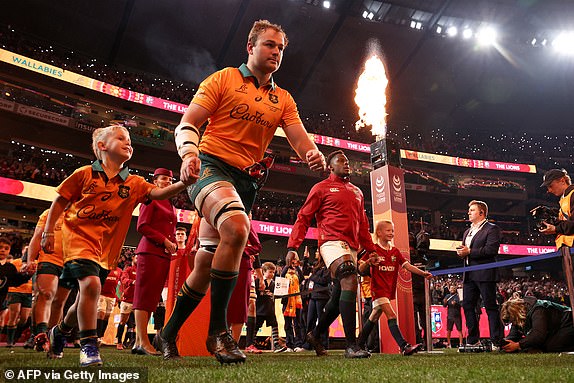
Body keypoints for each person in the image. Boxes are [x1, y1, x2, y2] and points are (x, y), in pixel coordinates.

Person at [158, 19, 325, 364]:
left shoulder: (283, 98)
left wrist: (312, 152)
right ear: (250, 47)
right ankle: (218, 334)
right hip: (210, 167)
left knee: (205, 263)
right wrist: (189, 153)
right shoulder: (223, 79)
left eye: (281, 48)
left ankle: (167, 333)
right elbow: (187, 124)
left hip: (246, 182)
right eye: (269, 45)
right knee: (236, 227)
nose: (276, 52)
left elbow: (298, 137)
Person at [40, 125, 197, 367]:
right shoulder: (83, 174)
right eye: (121, 138)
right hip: (78, 241)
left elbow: (159, 194)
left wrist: (185, 183)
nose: (128, 142)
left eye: (129, 140)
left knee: (87, 294)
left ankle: (60, 331)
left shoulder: (134, 183)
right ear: (102, 147)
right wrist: (48, 231)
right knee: (90, 286)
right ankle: (89, 346)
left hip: (106, 250)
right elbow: (59, 201)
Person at [287, 150, 377, 359]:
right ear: (330, 166)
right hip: (330, 242)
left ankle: (315, 334)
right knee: (349, 275)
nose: (346, 164)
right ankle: (351, 345)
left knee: (337, 298)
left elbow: (363, 224)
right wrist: (293, 246)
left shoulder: (357, 192)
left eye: (347, 162)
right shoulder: (320, 188)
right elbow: (303, 217)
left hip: (351, 246)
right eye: (341, 161)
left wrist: (371, 250)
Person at [356, 220, 432, 356]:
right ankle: (404, 346)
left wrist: (423, 273)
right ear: (379, 233)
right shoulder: (373, 249)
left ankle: (359, 344)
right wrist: (368, 262)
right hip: (378, 290)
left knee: (373, 317)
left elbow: (407, 266)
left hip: (389, 290)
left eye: (392, 231)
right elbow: (360, 268)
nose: (391, 233)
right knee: (392, 315)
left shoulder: (395, 251)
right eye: (388, 230)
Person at [132, 168, 178, 356]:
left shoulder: (169, 202)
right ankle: (143, 341)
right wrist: (165, 240)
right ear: (155, 181)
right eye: (164, 179)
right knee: (144, 297)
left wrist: (172, 242)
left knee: (151, 298)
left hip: (162, 254)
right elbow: (142, 225)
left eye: (170, 179)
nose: (168, 181)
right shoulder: (151, 198)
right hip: (150, 252)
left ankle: (138, 342)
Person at [456, 200, 503, 348]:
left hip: (485, 274)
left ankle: (496, 340)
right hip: (469, 274)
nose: (468, 212)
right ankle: (473, 339)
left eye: (472, 210)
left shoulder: (492, 229)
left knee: (490, 306)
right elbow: (468, 250)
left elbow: (491, 250)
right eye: (469, 210)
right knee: (468, 305)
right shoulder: (467, 231)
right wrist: (462, 252)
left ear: (481, 213)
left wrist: (469, 251)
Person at [27, 209, 71, 352]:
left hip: (70, 262)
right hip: (48, 259)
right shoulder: (49, 213)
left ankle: (52, 336)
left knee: (59, 302)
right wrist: (30, 260)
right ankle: (40, 334)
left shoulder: (83, 214)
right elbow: (37, 236)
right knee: (46, 294)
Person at [501, 296, 574, 353]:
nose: (513, 323)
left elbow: (538, 334)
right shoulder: (519, 317)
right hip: (555, 329)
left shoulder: (538, 309)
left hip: (568, 323)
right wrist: (505, 343)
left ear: (517, 314)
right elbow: (513, 335)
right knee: (533, 345)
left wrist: (518, 345)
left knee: (551, 346)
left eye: (512, 320)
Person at [539, 169, 574, 238]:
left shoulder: (572, 195)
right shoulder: (565, 198)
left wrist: (555, 228)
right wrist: (550, 212)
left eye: (551, 186)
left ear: (562, 181)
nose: (549, 190)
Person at [97, 266, 121, 348]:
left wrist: (117, 297)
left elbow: (119, 285)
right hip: (101, 295)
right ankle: (97, 337)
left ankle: (101, 336)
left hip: (111, 296)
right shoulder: (103, 267)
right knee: (101, 314)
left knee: (107, 317)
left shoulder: (119, 271)